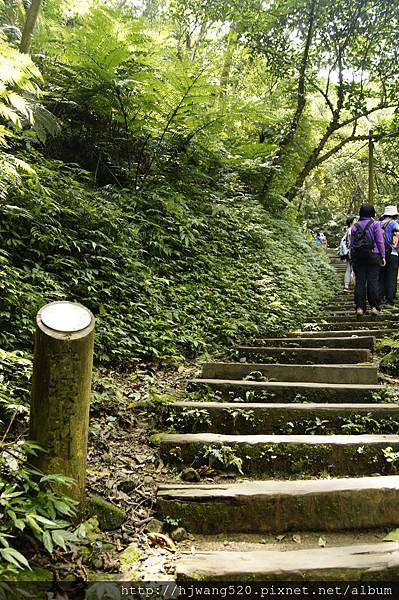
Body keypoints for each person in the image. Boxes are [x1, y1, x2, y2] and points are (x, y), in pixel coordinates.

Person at [350, 203, 385, 317]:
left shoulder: (355, 226)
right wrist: (383, 256)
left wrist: (352, 257)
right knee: (373, 281)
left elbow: (352, 244)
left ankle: (360, 308)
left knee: (360, 282)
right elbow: (380, 241)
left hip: (359, 257)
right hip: (373, 255)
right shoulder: (375, 224)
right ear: (372, 213)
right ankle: (374, 307)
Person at [379, 205, 399, 306]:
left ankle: (380, 297)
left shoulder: (378, 224)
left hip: (380, 253)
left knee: (381, 275)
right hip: (393, 253)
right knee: (391, 276)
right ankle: (390, 299)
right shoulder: (393, 223)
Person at [341, 215, 356, 293]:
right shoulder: (352, 230)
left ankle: (346, 286)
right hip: (352, 252)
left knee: (349, 268)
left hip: (348, 252)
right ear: (351, 222)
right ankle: (353, 284)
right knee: (353, 268)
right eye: (354, 220)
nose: (356, 221)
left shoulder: (348, 230)